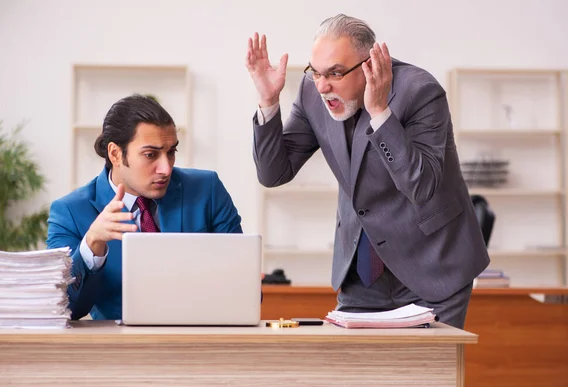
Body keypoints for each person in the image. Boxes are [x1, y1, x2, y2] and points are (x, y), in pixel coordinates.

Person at [246, 14, 489, 328]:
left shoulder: (421, 92)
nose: (322, 86)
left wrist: (380, 113)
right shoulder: (312, 92)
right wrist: (268, 100)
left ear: (369, 63)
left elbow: (421, 185)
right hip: (362, 273)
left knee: (426, 376)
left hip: (432, 267)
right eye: (315, 72)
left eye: (335, 73)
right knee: (355, 374)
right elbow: (273, 173)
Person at [47, 95, 243, 321]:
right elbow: (66, 309)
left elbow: (243, 288)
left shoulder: (207, 190)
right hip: (123, 350)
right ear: (115, 154)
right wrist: (92, 244)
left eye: (171, 152)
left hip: (201, 341)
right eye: (150, 155)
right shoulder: (70, 212)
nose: (166, 168)